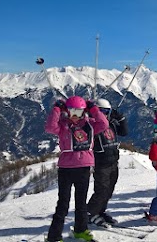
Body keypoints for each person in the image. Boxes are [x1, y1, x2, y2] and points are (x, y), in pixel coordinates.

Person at [44, 96, 108, 242]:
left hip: (83, 168)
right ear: (66, 111)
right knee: (63, 204)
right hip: (66, 168)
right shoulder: (63, 125)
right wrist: (56, 109)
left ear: (84, 112)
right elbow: (49, 127)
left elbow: (104, 124)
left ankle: (81, 230)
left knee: (81, 203)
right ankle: (54, 236)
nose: (75, 116)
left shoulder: (90, 124)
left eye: (78, 112)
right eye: (72, 111)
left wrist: (94, 109)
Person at [87, 98, 128, 227]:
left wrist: (120, 118)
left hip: (113, 162)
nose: (103, 114)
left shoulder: (111, 123)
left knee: (109, 189)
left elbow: (124, 132)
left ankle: (100, 211)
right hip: (101, 163)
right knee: (101, 190)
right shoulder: (92, 125)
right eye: (101, 111)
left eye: (106, 111)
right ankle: (91, 213)